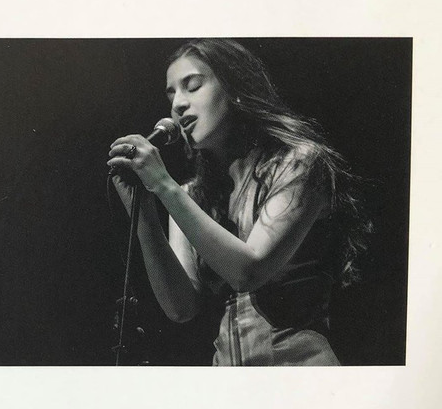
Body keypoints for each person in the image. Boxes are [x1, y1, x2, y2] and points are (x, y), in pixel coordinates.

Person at [107, 39, 369, 366]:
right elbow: (181, 308)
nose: (178, 105)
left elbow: (249, 271)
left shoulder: (301, 163)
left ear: (236, 89)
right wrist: (144, 210)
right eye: (171, 95)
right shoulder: (191, 196)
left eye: (192, 86)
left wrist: (163, 185)